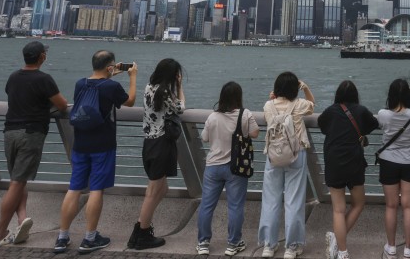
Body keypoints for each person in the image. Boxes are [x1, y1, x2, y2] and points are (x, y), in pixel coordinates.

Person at [55, 50, 137, 255]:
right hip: (103, 144)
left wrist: (110, 75)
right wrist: (132, 77)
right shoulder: (112, 86)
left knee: (74, 188)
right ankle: (90, 238)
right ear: (110, 67)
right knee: (96, 189)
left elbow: (95, 91)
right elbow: (130, 101)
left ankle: (62, 237)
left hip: (80, 143)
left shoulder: (80, 83)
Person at [0, 41, 68, 248]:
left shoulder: (14, 77)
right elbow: (61, 105)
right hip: (31, 133)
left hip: (10, 132)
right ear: (42, 57)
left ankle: (21, 219)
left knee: (18, 179)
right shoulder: (44, 79)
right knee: (16, 183)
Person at [126, 58, 185, 251]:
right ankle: (142, 233)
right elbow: (180, 108)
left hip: (149, 143)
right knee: (153, 192)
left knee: (162, 189)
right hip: (162, 145)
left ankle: (141, 228)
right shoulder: (166, 92)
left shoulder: (148, 88)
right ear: (173, 75)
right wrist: (179, 86)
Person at [197, 81, 259, 257]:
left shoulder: (213, 117)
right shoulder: (245, 114)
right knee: (235, 206)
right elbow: (255, 133)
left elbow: (205, 138)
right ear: (239, 97)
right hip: (236, 167)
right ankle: (233, 243)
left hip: (213, 167)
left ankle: (203, 243)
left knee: (207, 206)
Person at [318, 80, 379, 259]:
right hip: (354, 162)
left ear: (337, 95)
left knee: (338, 209)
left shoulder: (330, 111)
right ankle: (337, 241)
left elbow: (322, 126)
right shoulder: (361, 111)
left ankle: (342, 251)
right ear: (355, 96)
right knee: (358, 203)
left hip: (333, 162)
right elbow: (373, 124)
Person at [258, 71, 315, 259]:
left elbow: (270, 110)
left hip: (273, 156)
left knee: (271, 201)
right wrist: (305, 88)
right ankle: (291, 247)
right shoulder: (299, 105)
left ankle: (269, 245)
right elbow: (312, 106)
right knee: (294, 202)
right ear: (294, 89)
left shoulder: (268, 106)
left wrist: (272, 97)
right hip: (296, 154)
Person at [376, 78, 410, 259]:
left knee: (391, 205)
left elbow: (382, 125)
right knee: (409, 206)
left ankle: (391, 247)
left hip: (388, 161)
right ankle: (409, 249)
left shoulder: (383, 114)